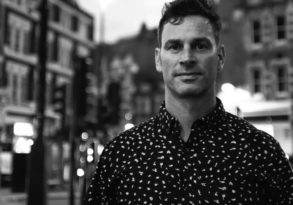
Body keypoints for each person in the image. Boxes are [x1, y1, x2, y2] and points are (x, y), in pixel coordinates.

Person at [86, 0, 293, 204]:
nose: (187, 58)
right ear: (158, 59)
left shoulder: (262, 153)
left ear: (220, 57)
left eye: (200, 45)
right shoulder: (120, 155)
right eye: (175, 46)